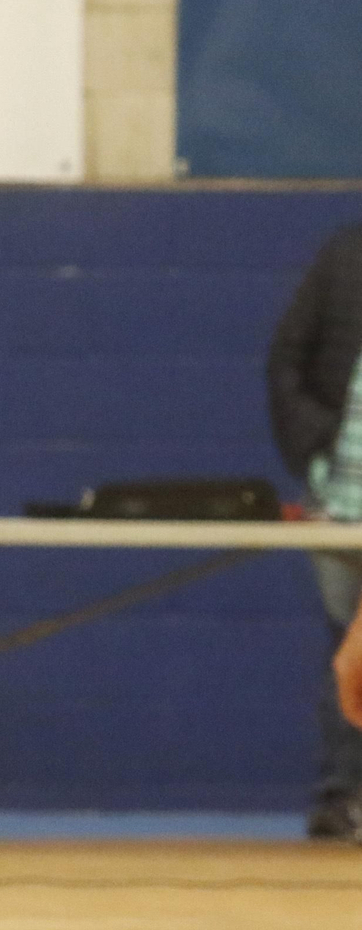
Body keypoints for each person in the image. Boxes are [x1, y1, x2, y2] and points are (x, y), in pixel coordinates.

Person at [268, 221, 362, 840]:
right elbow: (285, 360)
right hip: (340, 502)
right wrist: (316, 450)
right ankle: (341, 795)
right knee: (346, 652)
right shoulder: (345, 255)